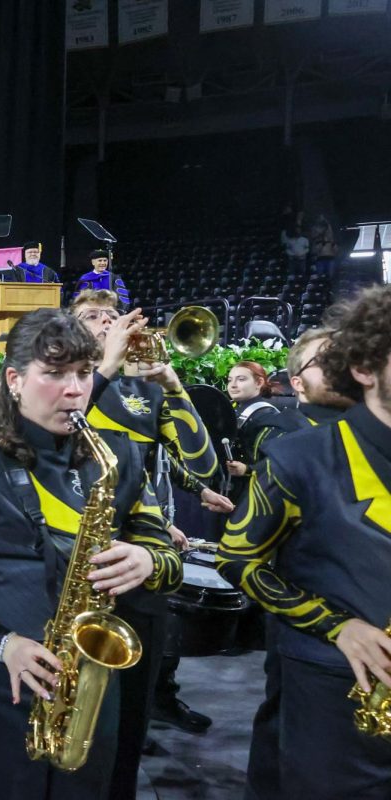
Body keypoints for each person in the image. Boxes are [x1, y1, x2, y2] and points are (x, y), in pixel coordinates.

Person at [0, 308, 181, 800]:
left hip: (87, 691)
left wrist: (148, 561)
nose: (75, 389)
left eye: (85, 373)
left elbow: (165, 558)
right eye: (55, 373)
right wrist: (5, 644)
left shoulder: (119, 457)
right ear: (15, 380)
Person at [216, 284, 391, 799]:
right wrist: (338, 627)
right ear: (363, 368)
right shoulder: (298, 458)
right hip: (333, 689)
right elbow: (237, 561)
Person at [71, 289, 228, 794]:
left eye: (112, 316)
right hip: (69, 555)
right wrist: (107, 367)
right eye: (92, 317)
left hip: (139, 559)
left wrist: (174, 384)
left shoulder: (148, 391)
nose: (106, 323)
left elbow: (204, 468)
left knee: (131, 715)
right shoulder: (57, 381)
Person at [240, 327, 355, 800]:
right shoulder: (285, 432)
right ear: (298, 381)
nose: (340, 363)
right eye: (323, 360)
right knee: (287, 737)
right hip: (306, 619)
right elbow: (244, 556)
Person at [224, 361, 299, 487]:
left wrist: (248, 469)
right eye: (230, 380)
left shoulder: (267, 416)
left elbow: (283, 458)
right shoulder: (229, 408)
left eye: (241, 379)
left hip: (253, 489)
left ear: (259, 383)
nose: (233, 385)